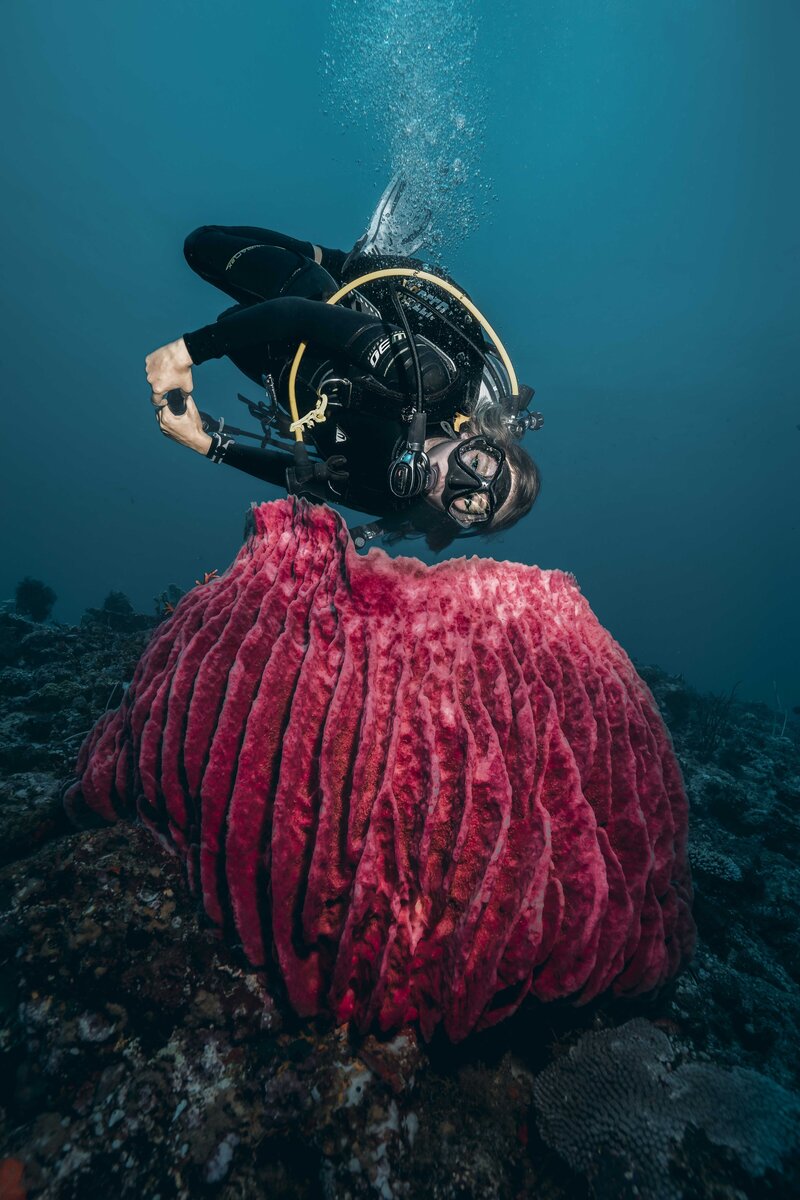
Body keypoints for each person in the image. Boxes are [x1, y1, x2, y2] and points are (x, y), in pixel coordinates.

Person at [146, 179, 543, 550]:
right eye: (475, 464)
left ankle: (346, 266)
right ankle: (348, 263)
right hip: (313, 305)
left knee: (227, 323)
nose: (453, 484)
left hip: (280, 372)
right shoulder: (430, 379)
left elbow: (304, 479)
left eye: (469, 506)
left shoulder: (397, 500)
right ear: (477, 437)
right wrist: (186, 353)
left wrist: (208, 445)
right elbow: (299, 316)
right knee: (200, 246)